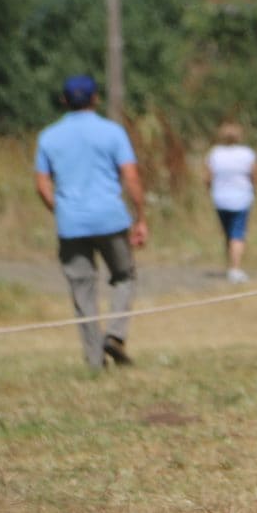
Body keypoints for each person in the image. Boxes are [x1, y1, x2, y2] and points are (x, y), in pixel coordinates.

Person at [33, 74, 148, 370]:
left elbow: (42, 184)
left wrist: (59, 209)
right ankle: (116, 334)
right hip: (110, 219)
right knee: (125, 277)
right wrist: (140, 218)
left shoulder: (48, 136)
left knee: (82, 291)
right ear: (96, 98)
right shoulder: (112, 132)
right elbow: (131, 176)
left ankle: (95, 360)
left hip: (70, 224)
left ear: (64, 101)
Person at [203, 121, 256, 284]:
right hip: (241, 198)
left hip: (220, 198)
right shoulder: (246, 153)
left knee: (228, 233)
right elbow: (254, 175)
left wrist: (211, 189)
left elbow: (207, 178)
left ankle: (231, 265)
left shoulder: (215, 153)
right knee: (237, 234)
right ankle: (235, 268)